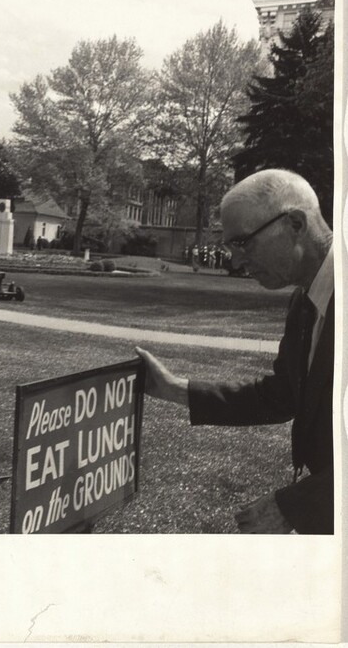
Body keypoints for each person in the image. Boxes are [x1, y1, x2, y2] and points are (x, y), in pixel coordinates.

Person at [136, 169, 333, 534]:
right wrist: (174, 389)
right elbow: (284, 396)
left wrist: (298, 505)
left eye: (244, 243)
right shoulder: (305, 299)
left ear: (295, 223)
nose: (237, 262)